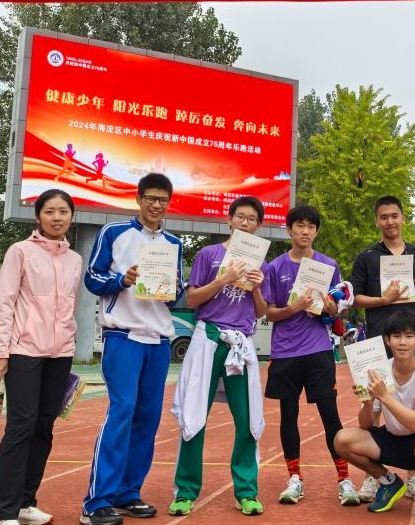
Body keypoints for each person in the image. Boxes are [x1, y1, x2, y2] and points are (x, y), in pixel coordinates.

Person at [81, 173, 184, 525]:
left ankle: (128, 492)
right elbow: (92, 278)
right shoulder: (113, 233)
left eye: (163, 200)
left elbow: (175, 296)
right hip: (123, 336)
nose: (156, 205)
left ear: (169, 203)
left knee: (147, 419)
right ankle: (96, 501)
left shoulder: (173, 242)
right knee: (122, 412)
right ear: (138, 199)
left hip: (159, 340)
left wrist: (173, 288)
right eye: (150, 198)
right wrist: (122, 279)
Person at [0, 189, 83, 525]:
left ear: (72, 216)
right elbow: (4, 302)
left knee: (44, 427)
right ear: (38, 216)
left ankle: (26, 503)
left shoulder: (75, 260)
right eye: (49, 211)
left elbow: (69, 306)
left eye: (63, 212)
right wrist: (0, 350)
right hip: (23, 350)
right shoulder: (20, 252)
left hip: (60, 353)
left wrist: (69, 341)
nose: (57, 218)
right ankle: (2, 512)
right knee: (21, 426)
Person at [168, 196, 269, 517]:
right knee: (194, 414)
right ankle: (185, 491)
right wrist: (222, 279)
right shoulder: (209, 254)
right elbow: (192, 299)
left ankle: (246, 491)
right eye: (240, 217)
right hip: (208, 338)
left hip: (241, 343)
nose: (245, 223)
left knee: (248, 419)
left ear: (259, 225)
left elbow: (261, 311)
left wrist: (256, 287)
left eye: (251, 219)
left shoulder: (261, 263)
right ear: (229, 219)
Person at [261, 205, 360, 507]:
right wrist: (295, 307)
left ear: (316, 231)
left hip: (319, 350)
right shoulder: (274, 267)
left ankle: (344, 479)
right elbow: (269, 313)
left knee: (330, 415)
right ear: (289, 229)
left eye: (311, 226)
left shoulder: (328, 265)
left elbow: (337, 308)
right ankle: (294, 478)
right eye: (300, 225)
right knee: (288, 415)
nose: (305, 231)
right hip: (285, 351)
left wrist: (331, 308)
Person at [350, 195, 415, 502]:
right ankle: (374, 477)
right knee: (373, 402)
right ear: (377, 221)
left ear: (403, 218)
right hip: (378, 341)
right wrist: (383, 300)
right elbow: (354, 299)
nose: (390, 221)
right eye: (384, 217)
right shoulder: (366, 257)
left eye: (394, 216)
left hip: (410, 339)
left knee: (412, 404)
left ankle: (414, 478)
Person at [333, 311, 415, 522]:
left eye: (409, 336)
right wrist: (368, 403)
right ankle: (389, 483)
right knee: (342, 440)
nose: (402, 342)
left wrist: (385, 397)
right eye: (396, 336)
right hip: (393, 438)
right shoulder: (380, 370)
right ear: (387, 340)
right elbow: (366, 424)